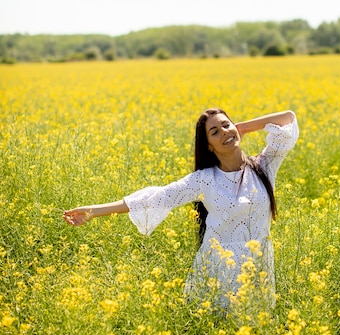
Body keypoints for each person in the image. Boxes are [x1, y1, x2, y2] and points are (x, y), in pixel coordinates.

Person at [63, 108, 298, 309]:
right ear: (208, 146)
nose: (225, 132)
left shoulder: (264, 166)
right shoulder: (204, 180)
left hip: (258, 268)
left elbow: (288, 118)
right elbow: (156, 197)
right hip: (219, 271)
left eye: (226, 125)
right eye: (215, 132)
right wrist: (93, 211)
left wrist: (240, 127)